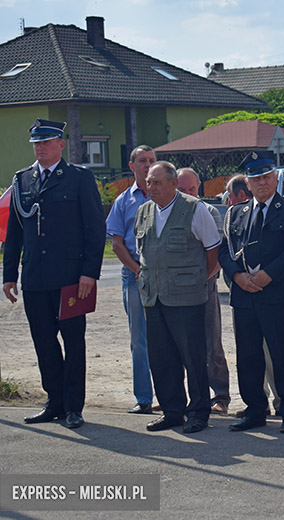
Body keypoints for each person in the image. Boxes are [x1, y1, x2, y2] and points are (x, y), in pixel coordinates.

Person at [3, 119, 105, 429]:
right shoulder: (22, 180)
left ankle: (74, 406)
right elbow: (14, 232)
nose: (40, 147)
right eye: (36, 143)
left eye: (46, 142)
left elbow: (95, 228)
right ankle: (54, 401)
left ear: (60, 144)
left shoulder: (78, 178)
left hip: (72, 279)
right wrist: (9, 274)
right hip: (36, 278)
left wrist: (90, 272)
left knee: (73, 342)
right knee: (44, 341)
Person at [218, 151, 284, 433]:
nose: (262, 183)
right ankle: (255, 409)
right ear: (248, 183)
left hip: (275, 294)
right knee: (248, 355)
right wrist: (237, 276)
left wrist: (270, 274)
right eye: (255, 179)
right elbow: (225, 250)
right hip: (244, 295)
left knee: (283, 354)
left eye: (267, 177)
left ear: (276, 178)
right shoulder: (237, 213)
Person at [136, 161, 221, 434]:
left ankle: (198, 412)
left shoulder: (195, 209)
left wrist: (195, 281)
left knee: (193, 358)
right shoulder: (144, 211)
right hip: (154, 298)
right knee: (162, 359)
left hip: (187, 298)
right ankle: (173, 411)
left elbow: (213, 251)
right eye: (149, 182)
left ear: (174, 183)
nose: (152, 187)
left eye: (157, 182)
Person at [105, 145, 157, 415]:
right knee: (139, 340)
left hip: (165, 275)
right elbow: (116, 243)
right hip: (135, 275)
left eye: (152, 160)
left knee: (170, 336)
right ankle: (144, 398)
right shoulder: (123, 201)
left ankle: (172, 397)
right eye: (142, 161)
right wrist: (138, 270)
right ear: (132, 165)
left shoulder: (170, 197)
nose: (148, 165)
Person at [176, 167, 231, 415]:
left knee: (212, 345)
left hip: (204, 287)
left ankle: (220, 395)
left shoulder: (208, 212)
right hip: (175, 291)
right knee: (179, 345)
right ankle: (183, 397)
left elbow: (217, 253)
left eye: (192, 189)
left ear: (199, 187)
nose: (188, 194)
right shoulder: (168, 212)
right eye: (182, 190)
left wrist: (201, 281)